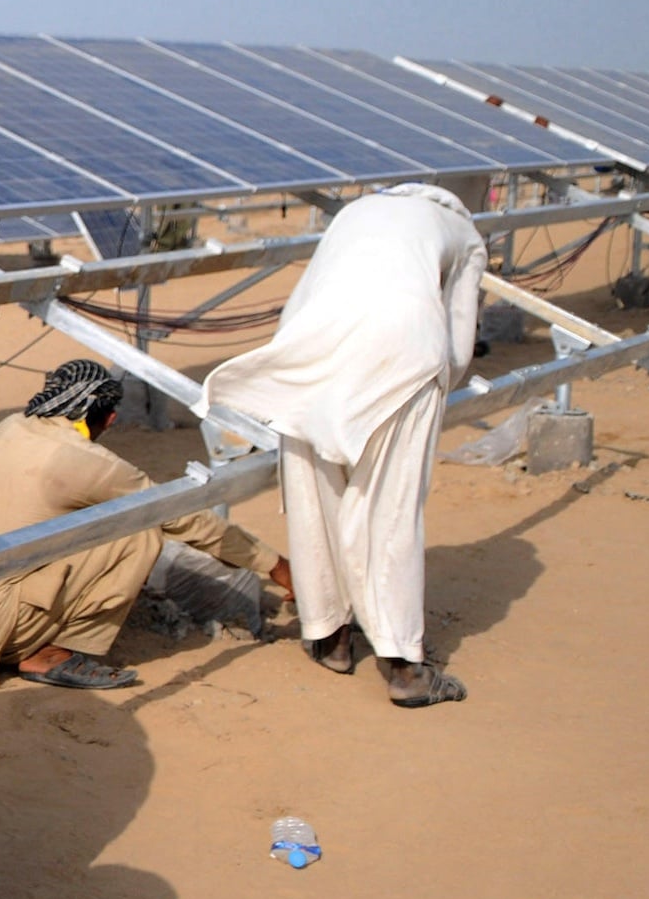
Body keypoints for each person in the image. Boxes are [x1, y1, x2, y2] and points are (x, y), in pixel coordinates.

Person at [197, 183, 485, 706]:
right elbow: (459, 342)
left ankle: (330, 635)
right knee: (389, 506)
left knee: (313, 491)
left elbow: (305, 295)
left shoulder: (353, 213)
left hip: (309, 343)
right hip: (403, 347)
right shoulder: (464, 234)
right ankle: (403, 666)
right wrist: (435, 388)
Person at [0, 360, 292, 690]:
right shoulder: (86, 460)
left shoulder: (11, 426)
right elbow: (179, 514)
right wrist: (274, 564)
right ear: (109, 416)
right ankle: (48, 653)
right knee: (138, 530)